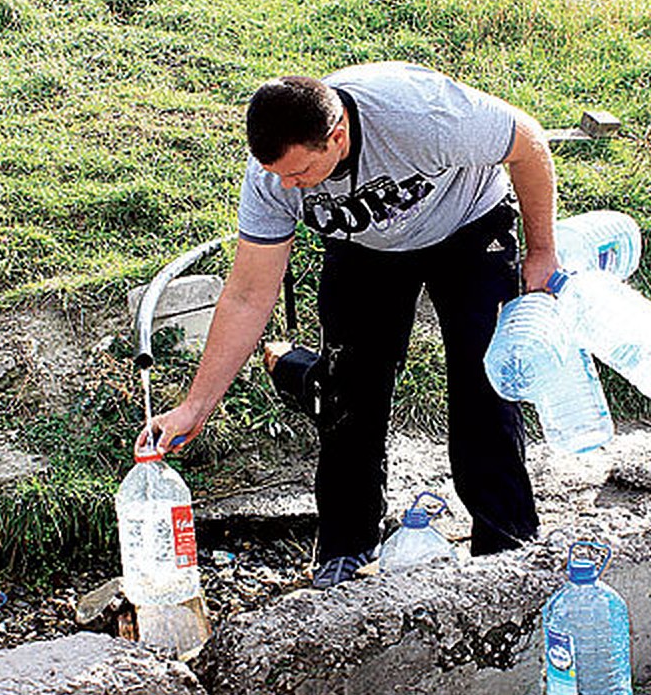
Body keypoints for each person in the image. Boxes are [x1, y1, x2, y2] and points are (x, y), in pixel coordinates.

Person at [141, 61, 560, 588]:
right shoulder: (273, 179)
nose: (287, 186)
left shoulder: (421, 115)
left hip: (468, 225)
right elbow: (248, 295)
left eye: (298, 175)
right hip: (364, 247)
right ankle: (347, 548)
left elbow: (529, 144)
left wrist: (543, 249)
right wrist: (195, 405)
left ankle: (507, 549)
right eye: (277, 175)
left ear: (337, 136)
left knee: (485, 388)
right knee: (347, 395)